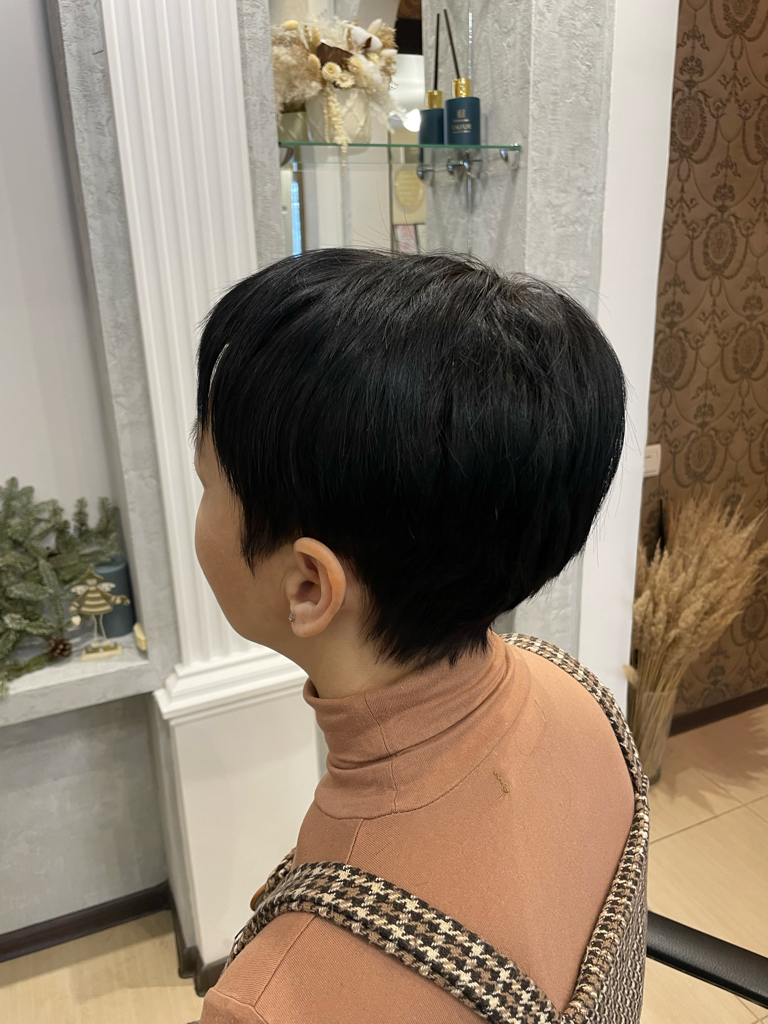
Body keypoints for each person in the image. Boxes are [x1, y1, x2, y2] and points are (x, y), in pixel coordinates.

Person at [194, 249, 647, 1024]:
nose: (199, 506)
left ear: (308, 586)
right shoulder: (580, 692)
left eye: (207, 483)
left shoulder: (273, 1002)